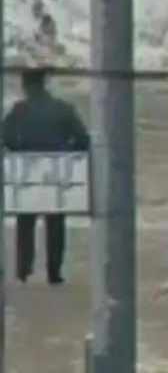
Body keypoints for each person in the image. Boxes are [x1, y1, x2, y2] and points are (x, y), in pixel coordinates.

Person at [2, 67, 89, 283]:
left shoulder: (19, 111)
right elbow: (82, 139)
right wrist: (66, 154)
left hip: (27, 174)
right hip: (57, 173)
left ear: (25, 86)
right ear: (44, 84)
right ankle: (54, 272)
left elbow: (6, 139)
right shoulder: (63, 109)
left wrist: (20, 151)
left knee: (25, 224)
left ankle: (23, 270)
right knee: (56, 224)